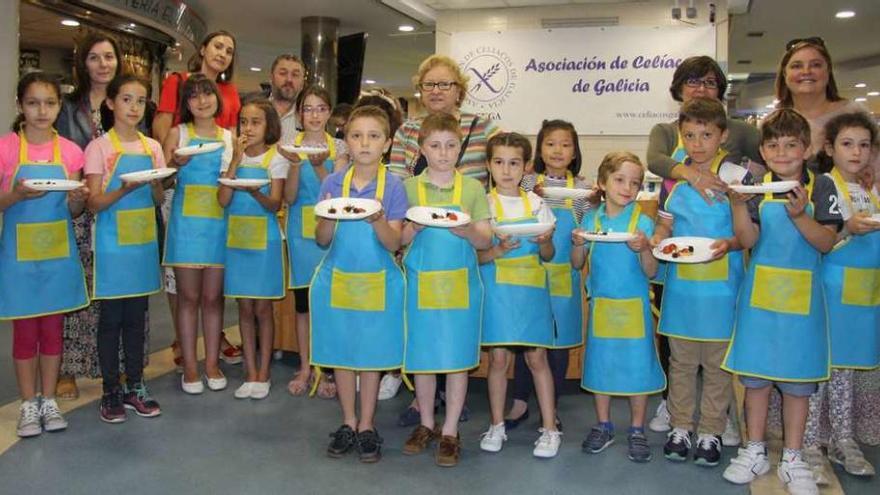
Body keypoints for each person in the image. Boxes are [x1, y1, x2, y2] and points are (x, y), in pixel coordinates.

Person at [722, 109, 841, 495]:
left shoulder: (822, 187)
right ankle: (754, 449)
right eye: (773, 144)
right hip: (761, 301)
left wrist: (800, 214)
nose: (782, 151)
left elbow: (825, 242)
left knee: (796, 384)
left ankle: (792, 456)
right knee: (755, 380)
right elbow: (749, 241)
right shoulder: (757, 186)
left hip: (802, 305)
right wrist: (739, 204)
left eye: (791, 144)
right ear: (763, 150)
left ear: (806, 149)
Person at [645, 55, 759, 441]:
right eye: (690, 136)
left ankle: (711, 428)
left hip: (723, 289)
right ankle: (680, 425)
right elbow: (665, 222)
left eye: (707, 135)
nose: (697, 144)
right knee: (679, 362)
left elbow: (746, 238)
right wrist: (659, 239)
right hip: (681, 291)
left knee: (717, 365)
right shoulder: (673, 181)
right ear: (680, 134)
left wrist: (729, 241)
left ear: (723, 135)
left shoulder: (735, 178)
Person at [311, 105, 407, 463]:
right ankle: (348, 422)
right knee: (341, 353)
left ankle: (367, 424)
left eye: (373, 136)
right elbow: (322, 239)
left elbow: (394, 243)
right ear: (346, 142)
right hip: (338, 281)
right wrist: (327, 214)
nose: (364, 143)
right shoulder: (331, 184)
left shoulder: (393, 186)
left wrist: (377, 218)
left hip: (378, 282)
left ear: (387, 143)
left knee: (371, 355)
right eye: (356, 135)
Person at [399, 113, 492, 467]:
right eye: (435, 146)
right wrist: (412, 231)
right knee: (422, 359)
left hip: (460, 289)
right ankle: (426, 423)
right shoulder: (408, 189)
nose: (443, 153)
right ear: (423, 148)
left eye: (451, 145)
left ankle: (451, 430)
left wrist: (467, 230)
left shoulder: (471, 189)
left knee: (456, 361)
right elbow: (398, 238)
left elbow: (485, 239)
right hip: (420, 286)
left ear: (460, 148)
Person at [0, 72, 90, 437]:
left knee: (53, 331)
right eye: (33, 103)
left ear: (59, 107)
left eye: (49, 103)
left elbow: (73, 212)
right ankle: (27, 404)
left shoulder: (70, 151)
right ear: (20, 106)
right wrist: (16, 197)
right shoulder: (6, 148)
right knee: (25, 332)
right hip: (19, 258)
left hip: (57, 255)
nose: (42, 110)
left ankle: (49, 401)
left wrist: (78, 201)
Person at [153, 29, 243, 367]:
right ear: (203, 48)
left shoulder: (230, 96)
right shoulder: (178, 82)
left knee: (212, 293)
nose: (222, 53)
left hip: (217, 204)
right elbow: (163, 128)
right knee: (184, 286)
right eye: (217, 46)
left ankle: (210, 348)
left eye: (229, 49)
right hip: (183, 197)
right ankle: (185, 346)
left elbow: (233, 152)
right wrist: (174, 158)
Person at [802, 112, 879, 483]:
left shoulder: (871, 188)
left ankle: (843, 439)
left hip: (864, 295)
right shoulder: (826, 186)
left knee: (846, 368)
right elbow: (822, 242)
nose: (857, 152)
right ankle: (810, 441)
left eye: (864, 145)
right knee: (822, 366)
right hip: (832, 289)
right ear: (830, 148)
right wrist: (847, 228)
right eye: (848, 143)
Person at [573, 151, 664, 463]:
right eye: (619, 180)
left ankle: (637, 428)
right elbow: (578, 263)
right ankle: (604, 424)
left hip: (634, 309)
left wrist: (644, 249)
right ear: (602, 182)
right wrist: (577, 243)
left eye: (634, 182)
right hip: (602, 308)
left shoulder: (643, 223)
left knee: (638, 368)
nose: (627, 187)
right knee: (601, 365)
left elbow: (651, 271)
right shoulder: (590, 219)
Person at [83, 75, 165, 423]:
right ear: (111, 103)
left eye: (141, 100)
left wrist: (157, 182)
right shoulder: (99, 148)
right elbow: (94, 204)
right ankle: (110, 390)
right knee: (111, 321)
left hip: (143, 245)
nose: (134, 106)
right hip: (112, 247)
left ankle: (136, 385)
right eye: (127, 99)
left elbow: (159, 199)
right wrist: (125, 189)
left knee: (136, 319)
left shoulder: (153, 147)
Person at [477, 132, 562, 458]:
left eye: (514, 163)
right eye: (499, 162)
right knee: (498, 360)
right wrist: (497, 249)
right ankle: (497, 424)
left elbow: (550, 254)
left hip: (531, 294)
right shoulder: (483, 205)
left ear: (526, 167)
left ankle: (550, 428)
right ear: (489, 165)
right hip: (498, 292)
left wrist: (544, 242)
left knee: (537, 359)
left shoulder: (537, 204)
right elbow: (478, 256)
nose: (506, 170)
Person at [505, 120, 594, 431]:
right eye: (551, 144)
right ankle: (518, 401)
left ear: (574, 152)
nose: (558, 150)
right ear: (540, 150)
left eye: (565, 144)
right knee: (526, 338)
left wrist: (596, 204)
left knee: (558, 346)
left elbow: (588, 225)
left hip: (564, 278)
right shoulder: (527, 183)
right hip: (531, 274)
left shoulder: (583, 189)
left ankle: (550, 405)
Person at [161, 74, 233, 394]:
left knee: (214, 299)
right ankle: (190, 367)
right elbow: (161, 182)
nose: (202, 101)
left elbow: (231, 181)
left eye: (208, 94)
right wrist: (175, 163)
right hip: (186, 227)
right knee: (188, 299)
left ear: (217, 98)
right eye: (194, 96)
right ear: (185, 104)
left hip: (218, 224)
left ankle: (212, 363)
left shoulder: (230, 138)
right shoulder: (178, 133)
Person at [218, 99, 288, 399]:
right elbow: (222, 200)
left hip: (265, 242)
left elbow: (275, 204)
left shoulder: (276, 159)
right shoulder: (230, 157)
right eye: (244, 121)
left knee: (262, 308)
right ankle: (248, 371)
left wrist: (255, 192)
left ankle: (264, 372)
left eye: (255, 121)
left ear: (269, 126)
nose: (248, 128)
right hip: (237, 241)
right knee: (243, 308)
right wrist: (235, 161)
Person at [284, 85, 348, 398]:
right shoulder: (289, 147)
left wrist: (318, 164)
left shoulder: (340, 147)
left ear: (329, 113)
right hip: (299, 233)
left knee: (328, 303)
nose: (314, 114)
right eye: (308, 108)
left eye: (321, 108)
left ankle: (329, 369)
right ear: (299, 114)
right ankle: (306, 365)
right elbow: (289, 197)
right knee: (303, 305)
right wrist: (296, 164)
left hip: (330, 230)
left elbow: (337, 193)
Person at [390, 55, 499, 182]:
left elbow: (518, 165)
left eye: (444, 84)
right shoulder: (406, 131)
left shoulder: (483, 127)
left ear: (458, 90)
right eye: (429, 84)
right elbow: (396, 182)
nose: (435, 91)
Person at [267, 54, 306, 144]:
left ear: (302, 83)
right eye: (283, 73)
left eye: (295, 75)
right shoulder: (254, 110)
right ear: (271, 78)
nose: (289, 79)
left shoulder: (308, 118)